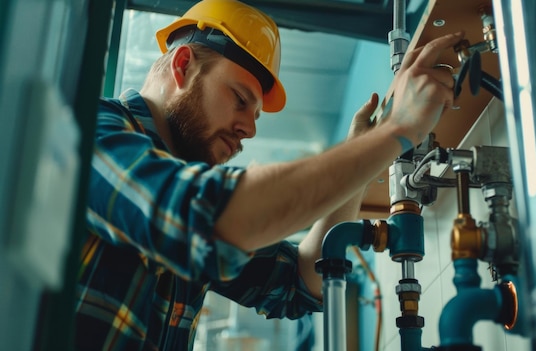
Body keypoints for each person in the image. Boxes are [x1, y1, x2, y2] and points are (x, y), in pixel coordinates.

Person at [74, 0, 463, 349]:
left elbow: (303, 281)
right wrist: (397, 131)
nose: (250, 129)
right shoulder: (92, 129)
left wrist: (362, 157)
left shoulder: (185, 187)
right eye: (241, 100)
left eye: (255, 113)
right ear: (182, 65)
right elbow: (209, 216)